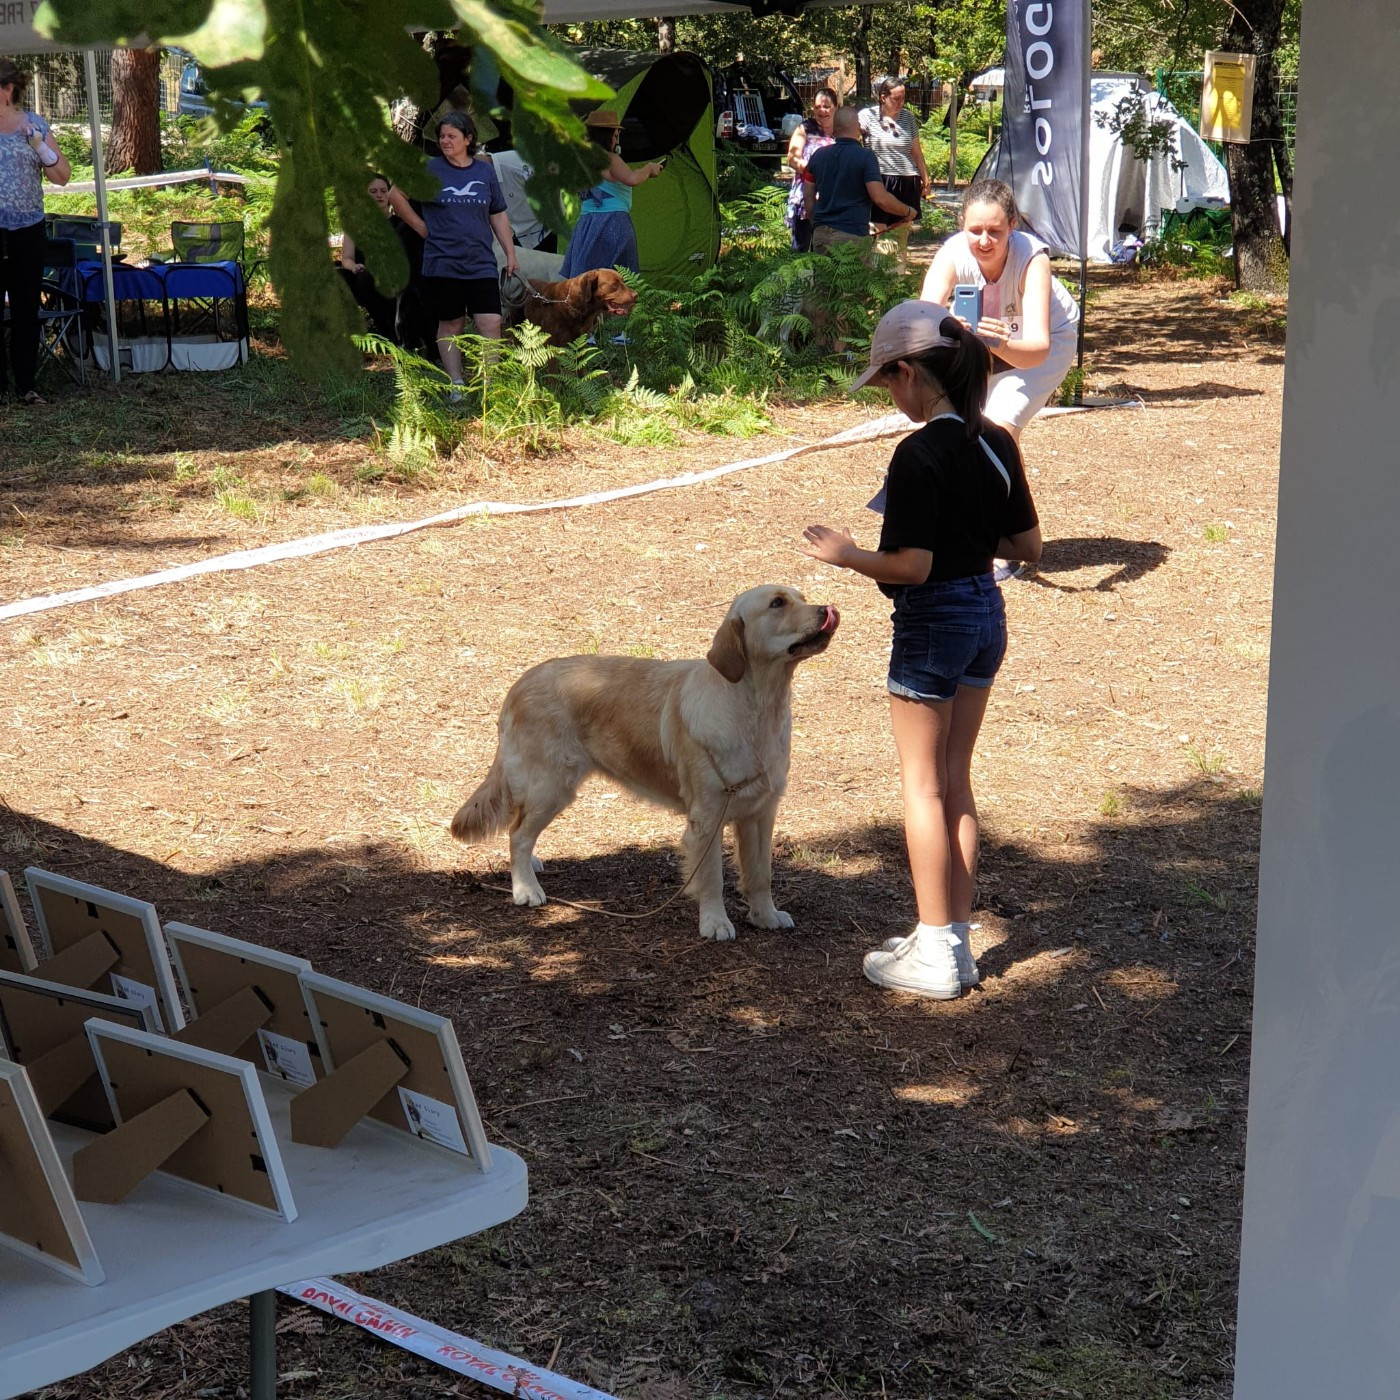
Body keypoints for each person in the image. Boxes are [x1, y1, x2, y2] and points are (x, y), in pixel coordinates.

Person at [799, 300, 1041, 999]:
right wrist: (970, 532)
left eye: (887, 382)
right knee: (956, 778)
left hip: (933, 623)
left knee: (923, 786)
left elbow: (911, 567)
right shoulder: (996, 440)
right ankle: (952, 939)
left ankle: (935, 952)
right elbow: (1027, 546)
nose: (890, 397)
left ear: (908, 372)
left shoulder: (917, 453)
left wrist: (846, 554)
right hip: (986, 615)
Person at [921, 178, 1078, 579]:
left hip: (1041, 345)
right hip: (985, 344)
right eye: (975, 230)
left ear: (1012, 226)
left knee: (998, 430)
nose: (984, 241)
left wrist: (998, 343)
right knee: (959, 429)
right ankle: (963, 528)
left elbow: (1037, 349)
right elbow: (923, 318)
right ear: (962, 224)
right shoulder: (953, 253)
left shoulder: (1032, 258)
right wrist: (945, 326)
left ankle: (1009, 538)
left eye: (995, 231)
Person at [387, 112, 517, 396]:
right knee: (452, 323)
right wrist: (421, 227)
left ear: (468, 139)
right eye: (442, 136)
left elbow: (497, 213)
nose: (445, 141)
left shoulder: (483, 171)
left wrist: (510, 253)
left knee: (491, 321)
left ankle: (490, 385)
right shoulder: (430, 168)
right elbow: (396, 194)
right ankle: (456, 384)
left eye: (452, 136)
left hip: (481, 260)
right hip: (443, 262)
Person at [0, 58, 72, 405]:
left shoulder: (34, 125)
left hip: (27, 229)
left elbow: (62, 177)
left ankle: (26, 385)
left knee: (26, 309)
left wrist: (40, 147)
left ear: (7, 90)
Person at [560, 109, 664, 279]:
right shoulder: (610, 158)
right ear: (608, 136)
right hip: (612, 221)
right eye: (616, 135)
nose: (617, 140)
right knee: (618, 280)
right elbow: (632, 179)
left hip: (586, 224)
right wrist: (649, 169)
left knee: (586, 280)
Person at [802, 106, 915, 254]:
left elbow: (807, 195)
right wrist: (907, 211)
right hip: (852, 236)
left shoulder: (818, 155)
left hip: (821, 236)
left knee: (824, 270)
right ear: (858, 127)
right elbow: (880, 198)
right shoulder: (866, 157)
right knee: (855, 270)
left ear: (835, 128)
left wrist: (816, 223)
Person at [859, 78, 931, 270]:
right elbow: (850, 137)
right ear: (883, 97)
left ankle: (897, 277)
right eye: (896, 98)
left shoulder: (908, 118)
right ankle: (876, 277)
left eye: (903, 98)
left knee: (900, 236)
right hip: (880, 181)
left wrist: (925, 179)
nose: (901, 103)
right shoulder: (867, 116)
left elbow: (916, 152)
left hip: (908, 181)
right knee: (876, 231)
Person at [339, 173, 399, 341]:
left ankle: (391, 333)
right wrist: (354, 267)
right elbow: (347, 258)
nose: (379, 195)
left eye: (383, 191)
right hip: (363, 276)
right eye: (373, 191)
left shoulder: (401, 224)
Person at [783, 87, 838, 253]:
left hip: (832, 198)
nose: (822, 111)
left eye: (826, 106)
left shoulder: (842, 132)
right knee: (799, 249)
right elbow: (792, 158)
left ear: (836, 107)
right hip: (805, 196)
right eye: (817, 107)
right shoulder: (805, 128)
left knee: (825, 250)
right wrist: (813, 173)